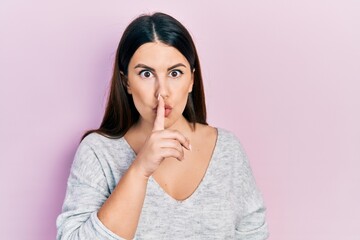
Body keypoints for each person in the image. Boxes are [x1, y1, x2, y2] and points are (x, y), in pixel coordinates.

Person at [56, 12, 269, 240]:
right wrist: (140, 169)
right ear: (127, 81)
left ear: (191, 81)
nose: (162, 92)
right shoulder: (98, 152)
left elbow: (254, 234)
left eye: (175, 73)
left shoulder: (227, 149)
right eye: (146, 74)